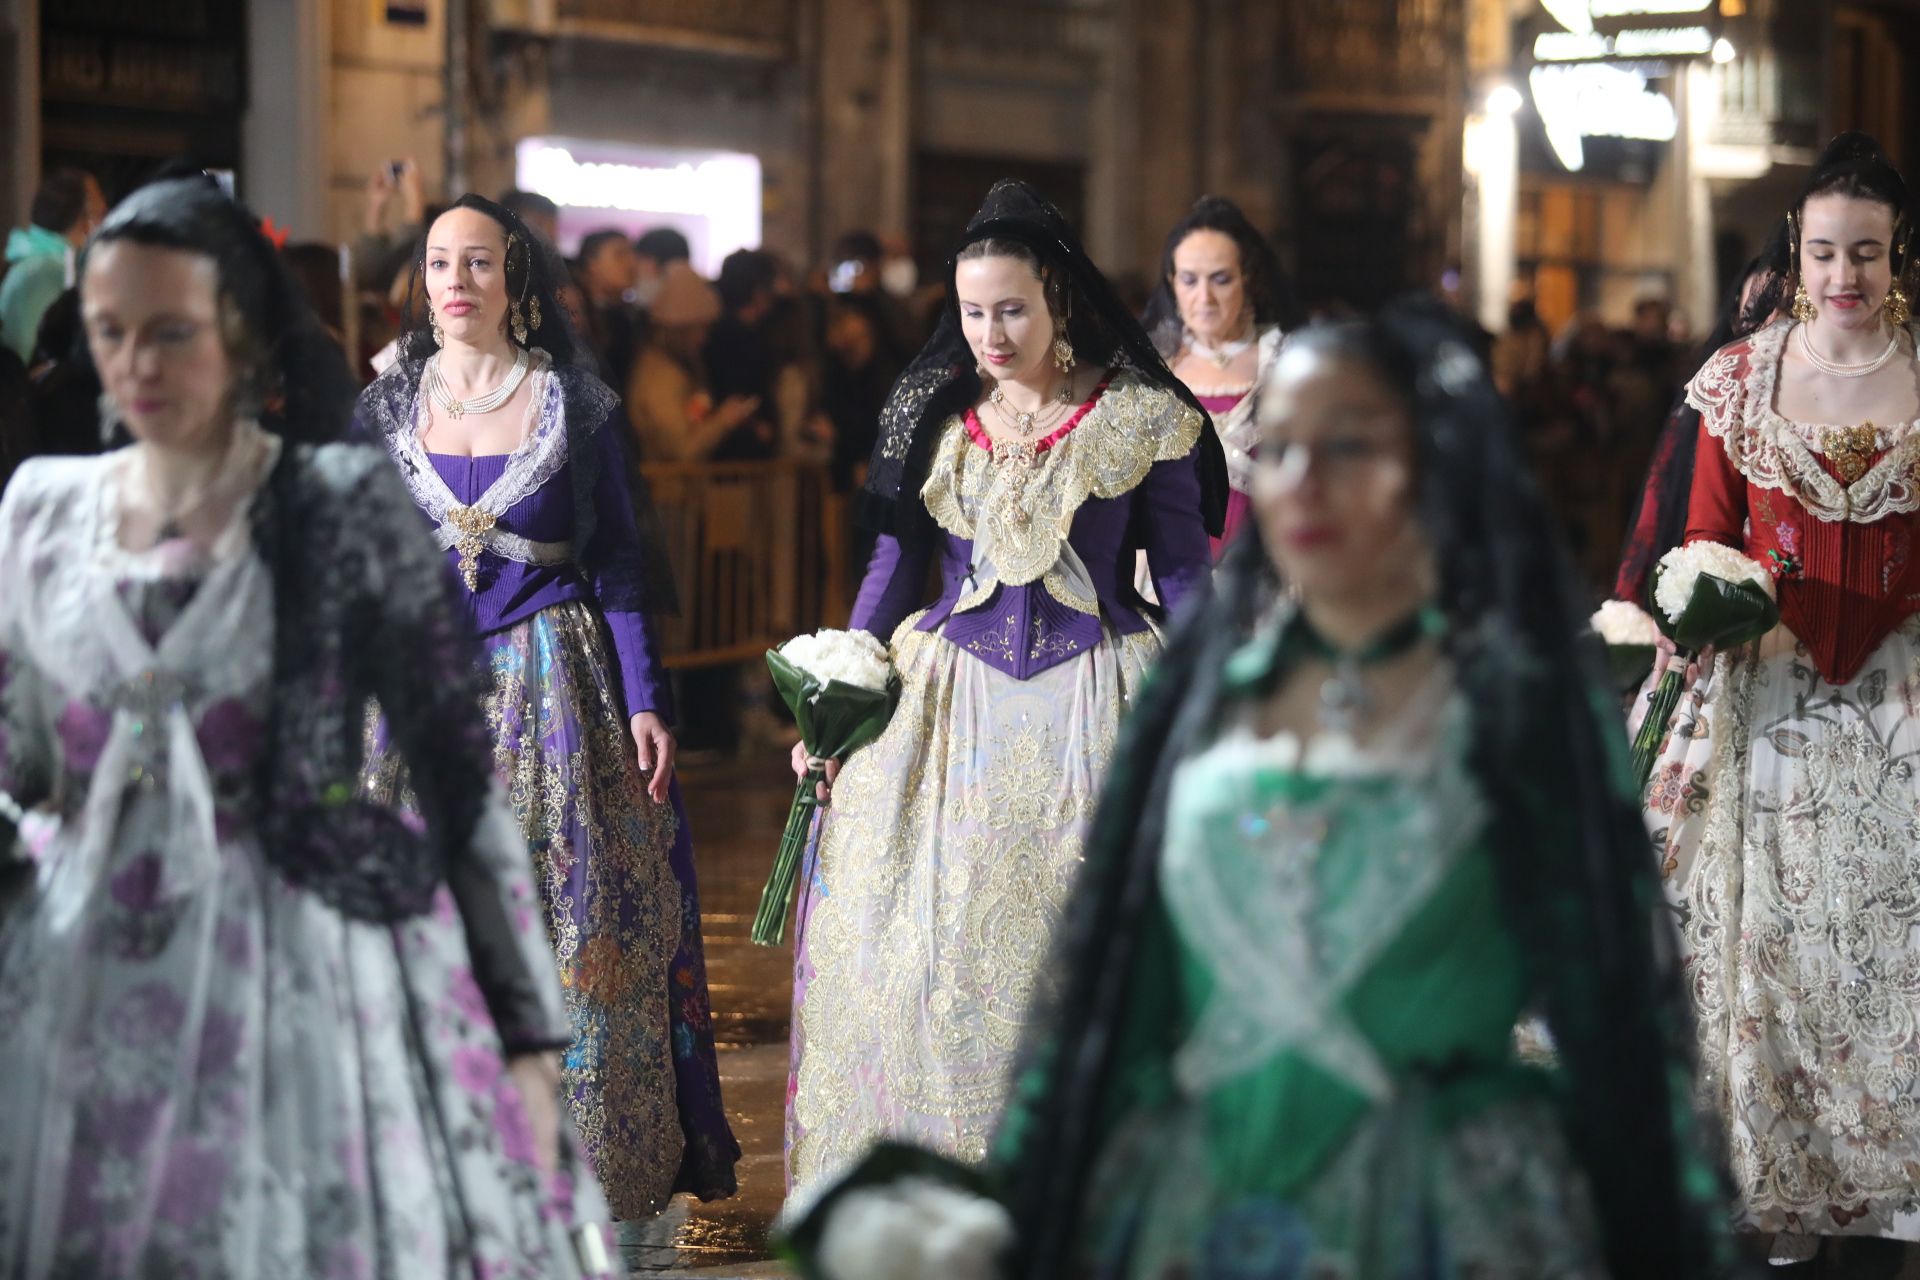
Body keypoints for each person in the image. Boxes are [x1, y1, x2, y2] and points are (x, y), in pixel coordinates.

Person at [785, 298, 1729, 1280]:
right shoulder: (1205, 694)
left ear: (1437, 469)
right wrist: (1022, 1205)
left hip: (1440, 1211)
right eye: (1277, 448)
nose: (1304, 482)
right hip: (1207, 1210)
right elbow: (1121, 990)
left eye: (1350, 446)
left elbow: (1608, 1005)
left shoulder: (1515, 709)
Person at [0, 175, 610, 1276]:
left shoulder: (338, 504)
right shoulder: (38, 512)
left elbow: (457, 787)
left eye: (170, 332)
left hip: (289, 960)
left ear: (241, 331)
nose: (135, 363)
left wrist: (521, 1036)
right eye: (109, 331)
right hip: (86, 968)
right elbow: (20, 762)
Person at [783, 179, 1225, 1192]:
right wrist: (839, 687)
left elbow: (1188, 575)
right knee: (936, 950)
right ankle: (944, 1174)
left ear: (1059, 299)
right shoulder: (937, 417)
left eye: (1012, 308)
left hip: (1099, 697)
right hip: (950, 713)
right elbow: (894, 571)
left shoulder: (1140, 416)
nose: (990, 330)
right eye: (974, 310)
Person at [355, 194, 740, 1225]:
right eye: (439, 262)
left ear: (515, 282)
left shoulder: (573, 402)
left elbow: (616, 560)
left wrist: (648, 697)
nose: (455, 282)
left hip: (555, 691)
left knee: (571, 934)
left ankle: (576, 1176)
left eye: (477, 262)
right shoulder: (385, 409)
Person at [1644, 132, 1920, 1272]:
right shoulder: (1742, 377)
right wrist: (1714, 595)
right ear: (1795, 257)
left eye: (1864, 252)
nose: (1843, 274)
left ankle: (1899, 1189)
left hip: (1906, 690)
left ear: (1897, 256)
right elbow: (1702, 525)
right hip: (1773, 694)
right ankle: (1786, 1176)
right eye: (1823, 252)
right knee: (1781, 947)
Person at [1612, 240, 1784, 613]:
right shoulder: (1716, 387)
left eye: (1786, 310)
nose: (1772, 325)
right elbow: (1668, 499)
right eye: (1759, 309)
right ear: (1738, 314)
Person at [1142, 194, 1304, 557]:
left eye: (1220, 279)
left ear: (1247, 278)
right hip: (1169, 575)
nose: (1205, 297)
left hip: (1263, 568)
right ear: (1172, 282)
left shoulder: (1286, 359)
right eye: (1189, 279)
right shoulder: (1151, 366)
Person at [625, 261, 763, 463]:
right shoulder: (661, 376)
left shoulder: (674, 367)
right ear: (680, 330)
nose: (703, 338)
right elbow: (682, 450)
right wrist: (724, 420)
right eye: (699, 329)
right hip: (670, 491)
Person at [2, 168, 103, 362]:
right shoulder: (50, 270)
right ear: (83, 221)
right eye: (100, 214)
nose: (105, 223)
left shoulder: (33, 260)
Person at [577, 228, 644, 393]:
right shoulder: (581, 318)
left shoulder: (632, 314)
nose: (631, 262)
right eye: (620, 254)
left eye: (631, 254)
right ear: (592, 264)